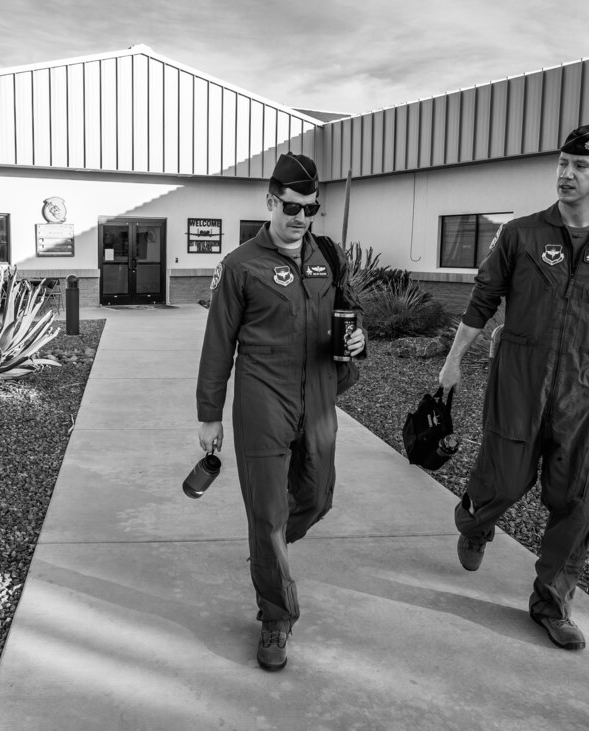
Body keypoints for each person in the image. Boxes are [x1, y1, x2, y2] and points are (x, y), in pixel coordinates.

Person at [438, 125, 589, 651]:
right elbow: (482, 301)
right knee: (504, 479)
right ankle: (475, 520)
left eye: (580, 166)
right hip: (518, 376)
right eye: (562, 163)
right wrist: (453, 362)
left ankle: (552, 603)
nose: (566, 173)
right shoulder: (521, 234)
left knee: (574, 497)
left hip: (581, 383)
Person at [195, 151, 367, 671]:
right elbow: (218, 344)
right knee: (268, 512)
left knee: (317, 497)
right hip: (262, 398)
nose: (300, 217)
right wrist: (209, 413)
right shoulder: (240, 264)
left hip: (318, 396)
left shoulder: (328, 256)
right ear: (271, 201)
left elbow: (349, 312)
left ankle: (267, 545)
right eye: (291, 207)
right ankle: (276, 617)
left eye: (310, 208)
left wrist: (358, 339)